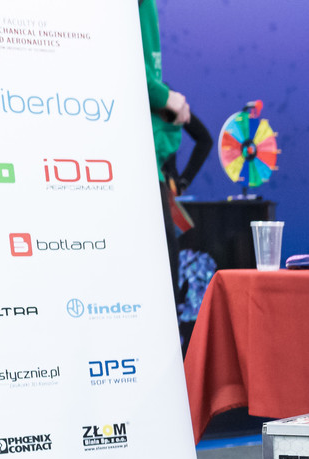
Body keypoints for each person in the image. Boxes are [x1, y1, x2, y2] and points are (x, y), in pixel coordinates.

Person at [139, 0, 190, 307]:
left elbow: (204, 140)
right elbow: (129, 67)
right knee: (159, 275)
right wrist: (165, 97)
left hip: (155, 168)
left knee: (167, 271)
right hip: (137, 165)